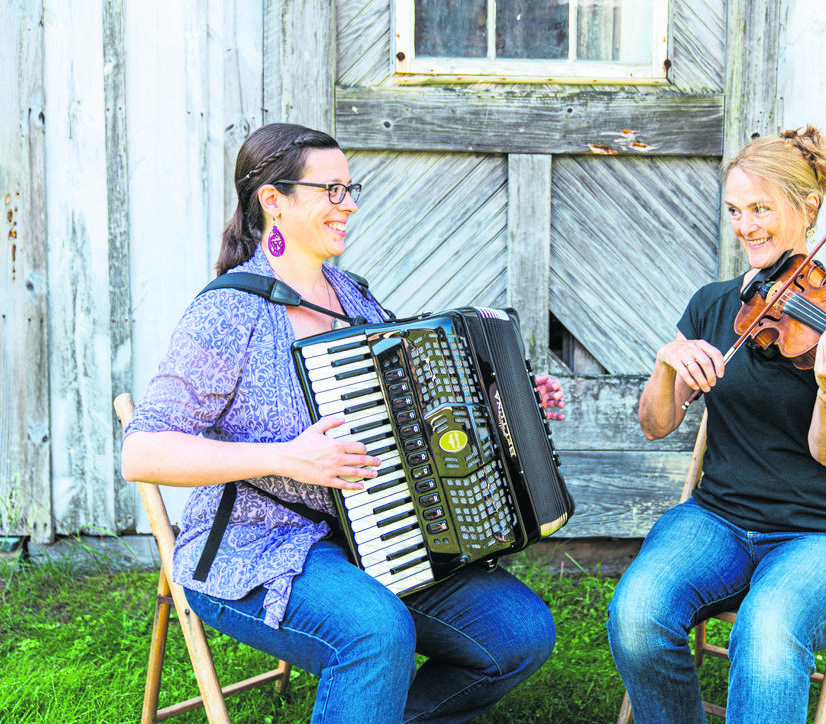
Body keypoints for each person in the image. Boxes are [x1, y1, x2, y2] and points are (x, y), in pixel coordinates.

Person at [121, 122, 566, 724]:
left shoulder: (352, 296)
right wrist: (284, 457)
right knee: (375, 632)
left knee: (521, 632)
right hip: (259, 547)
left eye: (351, 188)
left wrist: (506, 402)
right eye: (331, 190)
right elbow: (142, 453)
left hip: (378, 534)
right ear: (272, 201)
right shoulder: (228, 313)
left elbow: (413, 407)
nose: (348, 204)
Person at [606, 126, 826, 724]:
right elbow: (656, 424)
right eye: (736, 210)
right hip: (718, 522)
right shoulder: (714, 304)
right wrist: (666, 362)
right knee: (636, 614)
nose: (746, 225)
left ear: (808, 208)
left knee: (765, 627)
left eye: (761, 208)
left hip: (824, 538)